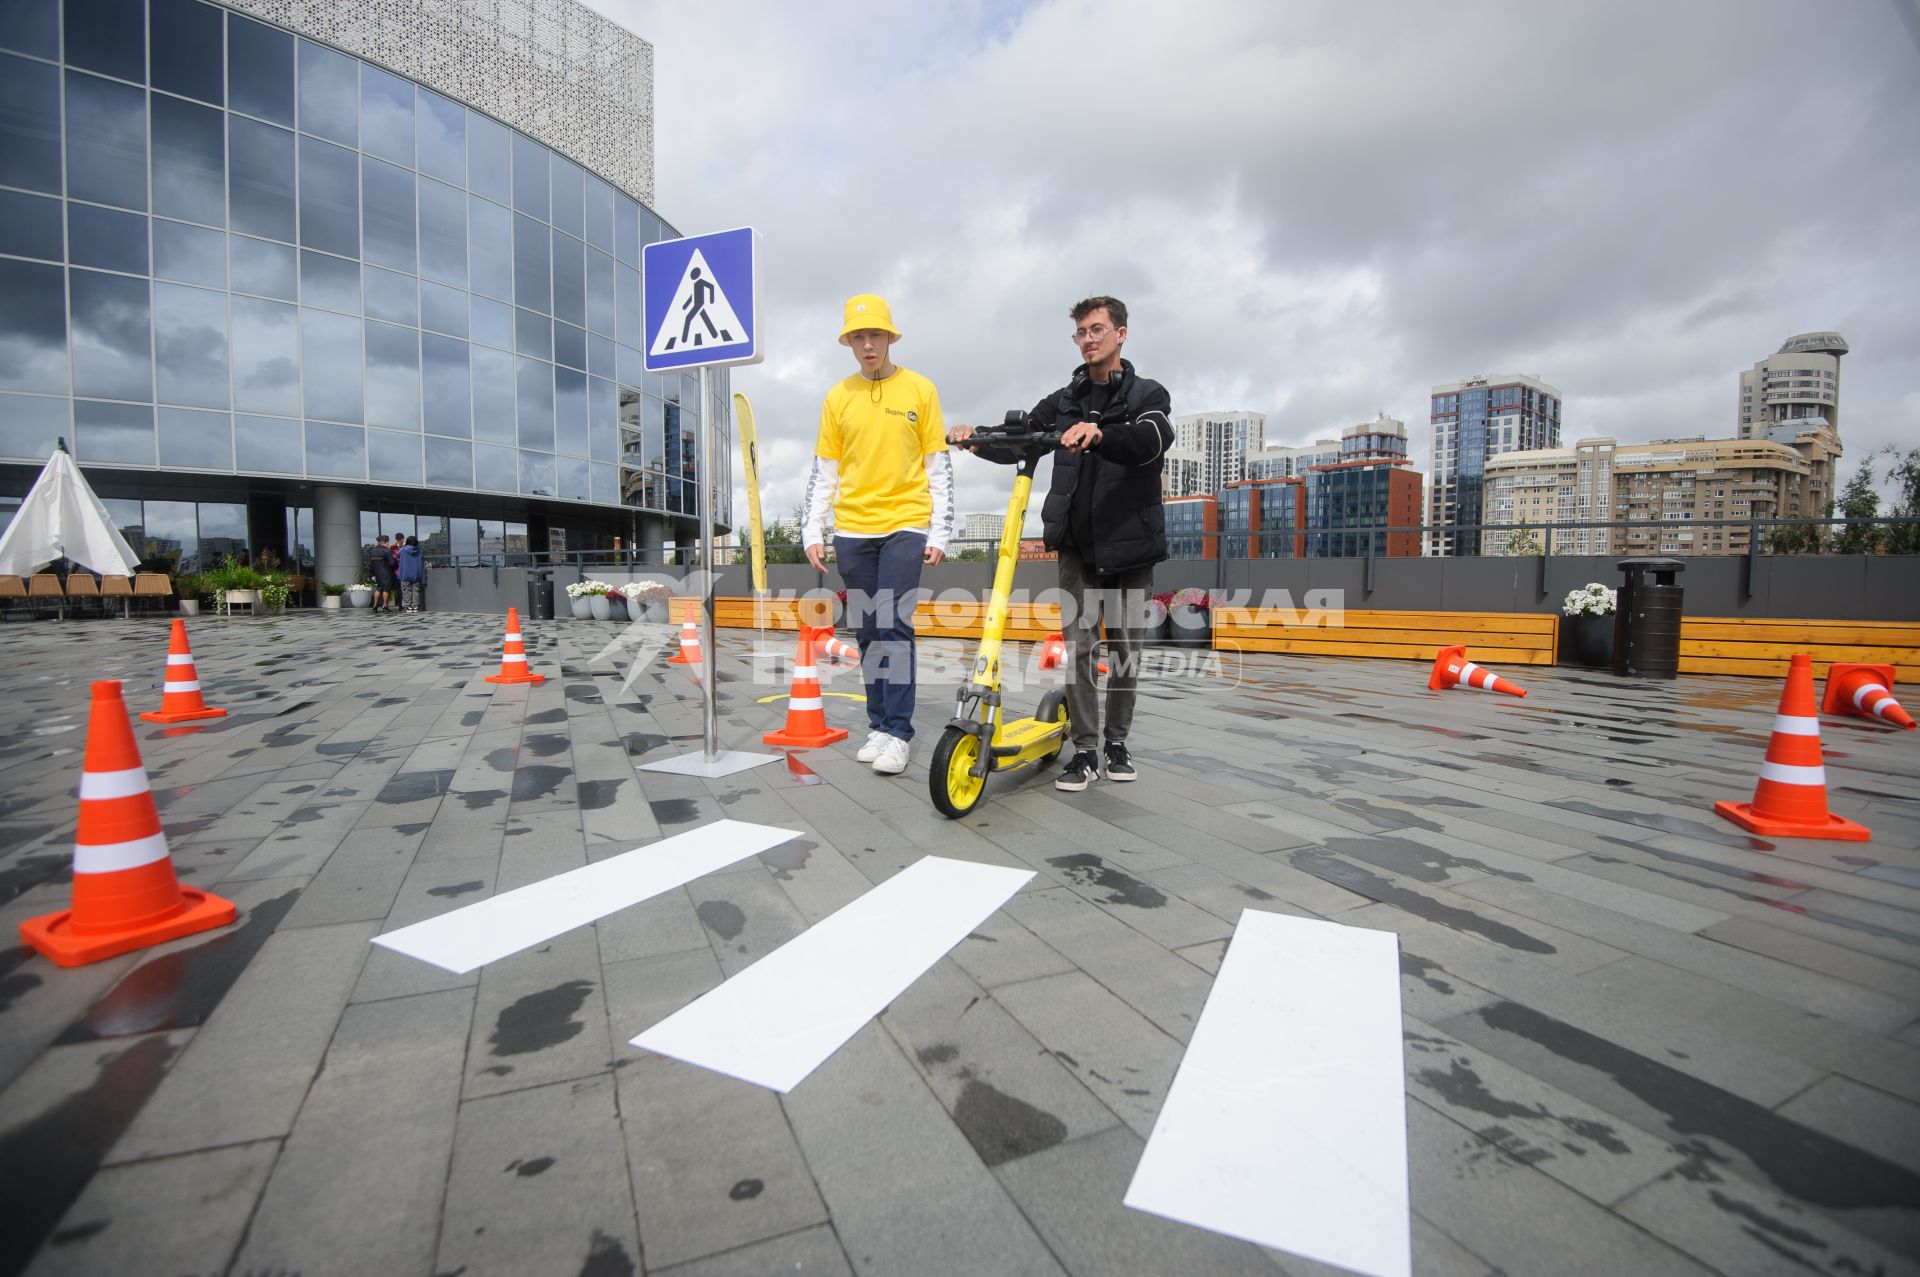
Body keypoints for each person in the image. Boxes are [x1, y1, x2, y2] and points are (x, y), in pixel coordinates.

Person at [949, 295, 1172, 793]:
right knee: (1080, 648)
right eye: (1081, 332)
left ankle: (1117, 741)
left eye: (1097, 329)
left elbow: (1151, 440)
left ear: (1121, 333)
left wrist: (1101, 433)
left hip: (1131, 545)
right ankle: (1085, 749)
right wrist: (976, 439)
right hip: (1078, 543)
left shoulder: (1148, 395)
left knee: (1125, 652)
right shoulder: (1063, 400)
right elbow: (1020, 439)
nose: (1089, 339)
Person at [801, 294, 954, 776]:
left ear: (890, 337)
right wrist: (813, 527)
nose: (868, 345)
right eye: (859, 337)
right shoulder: (837, 397)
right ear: (849, 341)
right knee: (868, 630)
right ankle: (879, 725)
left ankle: (900, 733)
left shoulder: (920, 390)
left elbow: (939, 465)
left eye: (876, 335)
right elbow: (824, 471)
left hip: (906, 523)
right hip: (852, 528)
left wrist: (941, 531)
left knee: (894, 624)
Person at [368, 534, 397, 613]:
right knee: (386, 589)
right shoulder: (387, 551)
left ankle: (375, 605)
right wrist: (395, 561)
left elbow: (370, 564)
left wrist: (372, 574)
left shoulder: (372, 551)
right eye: (387, 542)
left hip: (377, 574)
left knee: (379, 588)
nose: (388, 544)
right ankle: (385, 605)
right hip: (386, 573)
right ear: (383, 542)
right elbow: (392, 563)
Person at [395, 534, 424, 613]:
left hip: (405, 574)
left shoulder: (403, 550)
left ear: (407, 542)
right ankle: (415, 606)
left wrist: (402, 547)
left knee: (406, 590)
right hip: (416, 574)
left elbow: (397, 555)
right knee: (416, 590)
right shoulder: (419, 551)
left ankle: (408, 606)